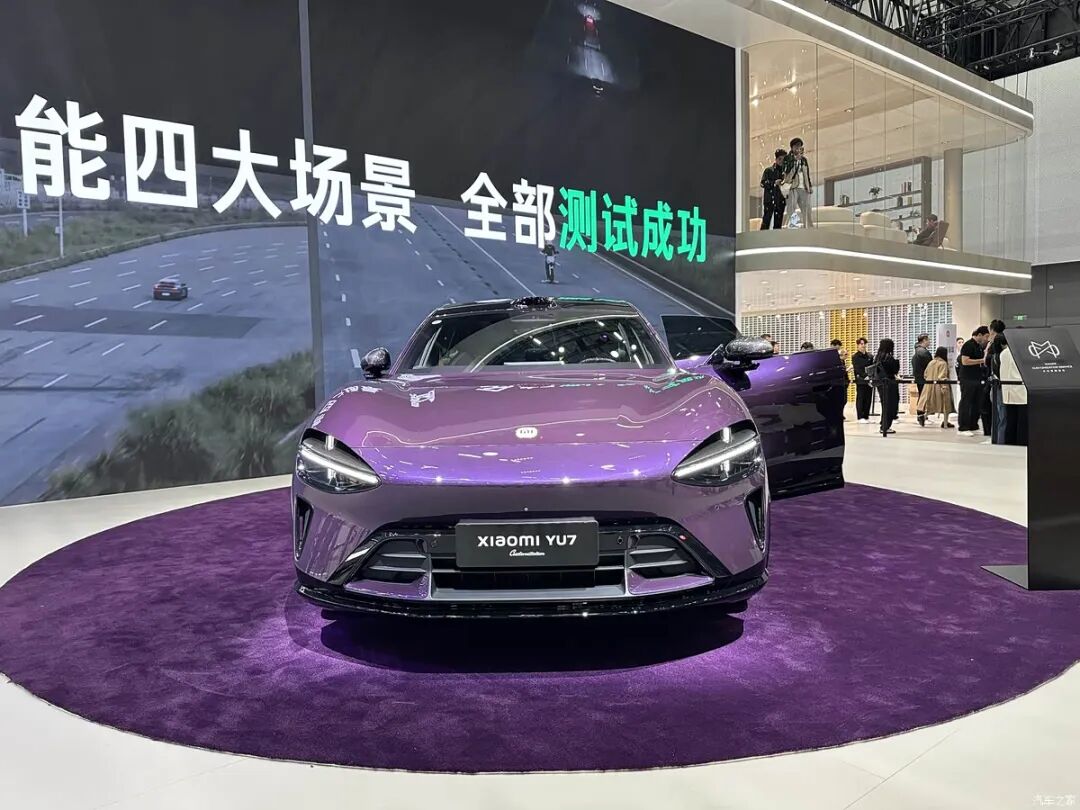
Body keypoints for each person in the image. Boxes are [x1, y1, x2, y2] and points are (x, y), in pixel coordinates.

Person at [957, 326, 990, 436]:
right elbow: (965, 361)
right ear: (979, 335)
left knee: (976, 402)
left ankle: (973, 424)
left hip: (977, 378)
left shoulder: (979, 346)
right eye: (985, 336)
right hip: (967, 378)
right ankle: (963, 427)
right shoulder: (968, 345)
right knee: (966, 402)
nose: (986, 339)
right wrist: (982, 360)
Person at [998, 337, 1028, 446]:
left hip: (1008, 392)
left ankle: (1010, 444)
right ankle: (1021, 443)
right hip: (1021, 391)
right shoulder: (1024, 352)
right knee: (1022, 422)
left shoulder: (1004, 353)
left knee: (1010, 421)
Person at [917, 347, 955, 429]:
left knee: (931, 405)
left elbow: (925, 374)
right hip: (941, 387)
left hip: (929, 386)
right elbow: (942, 377)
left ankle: (924, 417)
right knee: (946, 406)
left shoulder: (931, 362)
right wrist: (946, 382)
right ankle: (945, 423)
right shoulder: (943, 363)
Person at [871, 338, 901, 437]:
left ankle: (884, 424)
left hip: (881, 384)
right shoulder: (888, 358)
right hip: (889, 384)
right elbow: (894, 370)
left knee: (885, 405)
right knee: (890, 405)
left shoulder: (878, 357)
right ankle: (885, 426)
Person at [782, 137, 813, 228]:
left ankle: (808, 227)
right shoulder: (788, 158)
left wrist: (809, 185)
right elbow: (786, 171)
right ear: (792, 147)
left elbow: (806, 173)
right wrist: (795, 160)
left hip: (803, 187)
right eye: (796, 146)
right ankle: (793, 226)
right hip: (792, 187)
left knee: (807, 208)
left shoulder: (804, 160)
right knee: (792, 208)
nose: (798, 148)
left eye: (800, 146)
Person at [760, 149, 787, 229]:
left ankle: (776, 237)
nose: (781, 161)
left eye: (783, 160)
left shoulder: (785, 173)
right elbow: (763, 183)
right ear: (776, 159)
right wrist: (774, 183)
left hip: (780, 201)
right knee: (766, 222)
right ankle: (762, 236)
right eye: (780, 159)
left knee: (778, 224)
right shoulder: (768, 170)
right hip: (769, 200)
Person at [911, 334, 932, 426]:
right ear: (924, 340)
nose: (929, 342)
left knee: (922, 396)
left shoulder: (918, 351)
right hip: (924, 378)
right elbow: (929, 365)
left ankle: (922, 416)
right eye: (928, 340)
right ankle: (921, 416)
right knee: (923, 397)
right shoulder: (923, 352)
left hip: (919, 377)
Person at [851, 337, 873, 423]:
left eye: (864, 344)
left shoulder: (870, 356)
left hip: (870, 380)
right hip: (861, 380)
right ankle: (860, 417)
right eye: (861, 344)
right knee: (861, 398)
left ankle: (866, 416)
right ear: (858, 345)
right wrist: (864, 376)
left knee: (868, 398)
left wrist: (871, 377)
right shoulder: (855, 356)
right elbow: (857, 369)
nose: (863, 345)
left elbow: (872, 367)